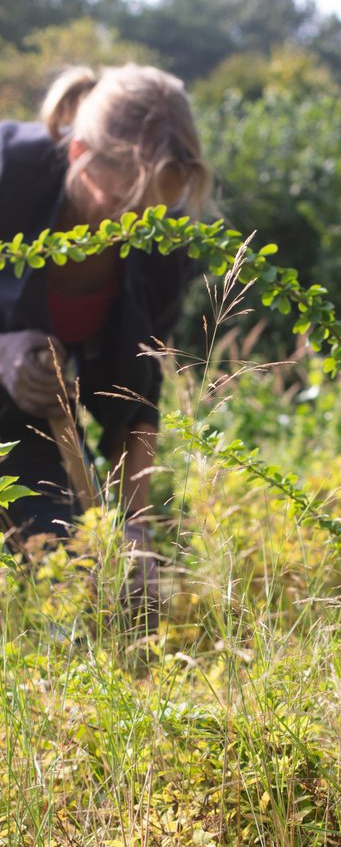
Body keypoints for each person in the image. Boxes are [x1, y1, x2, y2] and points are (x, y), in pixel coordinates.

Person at [0, 64, 211, 618]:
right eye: (123, 207)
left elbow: (137, 397)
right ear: (79, 156)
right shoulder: (8, 174)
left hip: (31, 424)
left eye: (153, 214)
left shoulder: (166, 239)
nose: (137, 229)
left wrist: (136, 526)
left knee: (72, 573)